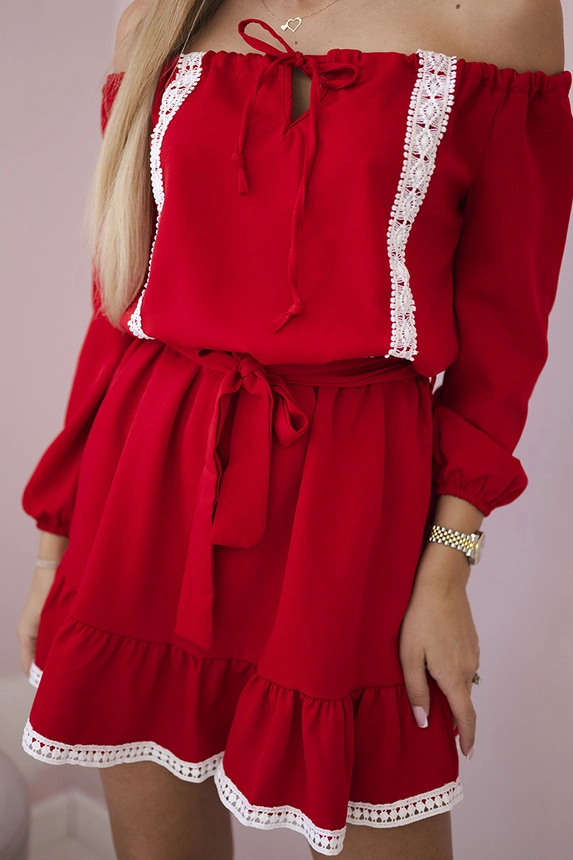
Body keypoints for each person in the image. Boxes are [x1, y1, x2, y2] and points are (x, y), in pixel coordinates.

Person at [17, 1, 573, 858]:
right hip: (149, 476)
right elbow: (119, 292)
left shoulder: (499, 17)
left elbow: (505, 335)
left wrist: (446, 570)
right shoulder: (159, 18)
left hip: (352, 502)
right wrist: (55, 543)